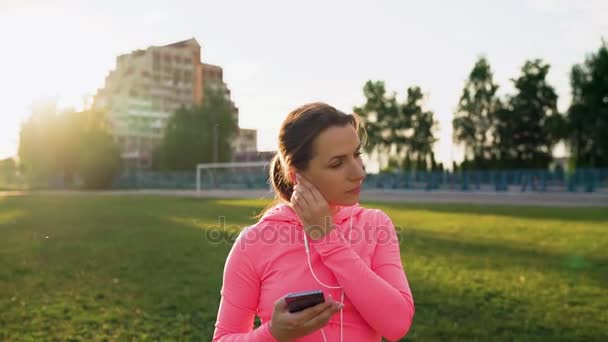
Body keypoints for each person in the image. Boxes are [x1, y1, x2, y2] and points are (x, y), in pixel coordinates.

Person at [212, 102, 414, 341]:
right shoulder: (253, 242)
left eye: (356, 155)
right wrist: (272, 334)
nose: (359, 172)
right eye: (337, 163)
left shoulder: (376, 226)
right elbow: (224, 337)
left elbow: (397, 324)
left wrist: (328, 238)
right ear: (296, 175)